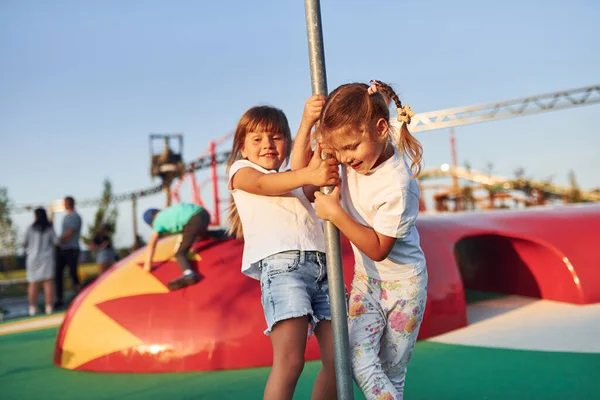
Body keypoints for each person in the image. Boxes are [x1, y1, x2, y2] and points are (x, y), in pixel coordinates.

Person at [292, 82, 427, 400]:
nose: (344, 157)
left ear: (381, 129)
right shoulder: (348, 155)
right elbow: (303, 181)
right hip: (367, 284)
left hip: (404, 288)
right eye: (338, 150)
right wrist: (306, 125)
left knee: (393, 372)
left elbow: (379, 248)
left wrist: (336, 214)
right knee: (356, 359)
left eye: (351, 147)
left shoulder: (397, 183)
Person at [227, 104, 339, 400]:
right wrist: (308, 172)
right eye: (258, 139)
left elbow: (301, 177)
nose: (268, 144)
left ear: (287, 143)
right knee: (290, 361)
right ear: (242, 147)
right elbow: (266, 183)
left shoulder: (293, 179)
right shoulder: (241, 172)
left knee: (340, 360)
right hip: (283, 269)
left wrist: (308, 125)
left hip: (323, 269)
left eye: (276, 138)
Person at [142, 199, 210, 291]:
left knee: (180, 253)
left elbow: (152, 244)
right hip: (203, 213)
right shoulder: (166, 212)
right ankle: (224, 234)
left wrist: (147, 265)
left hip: (192, 220)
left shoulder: (157, 223)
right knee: (198, 234)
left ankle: (188, 274)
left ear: (151, 224)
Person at [23, 208, 58, 316]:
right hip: (46, 258)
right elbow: (56, 242)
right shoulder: (49, 228)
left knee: (33, 283)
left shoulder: (30, 228)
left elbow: (24, 242)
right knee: (48, 282)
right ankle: (49, 307)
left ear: (36, 216)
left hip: (33, 258)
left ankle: (32, 308)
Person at [55, 196, 83, 309]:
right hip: (63, 250)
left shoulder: (75, 217)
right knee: (58, 274)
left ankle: (80, 296)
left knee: (73, 274)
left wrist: (57, 241)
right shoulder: (65, 217)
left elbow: (70, 232)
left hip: (71, 249)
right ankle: (59, 298)